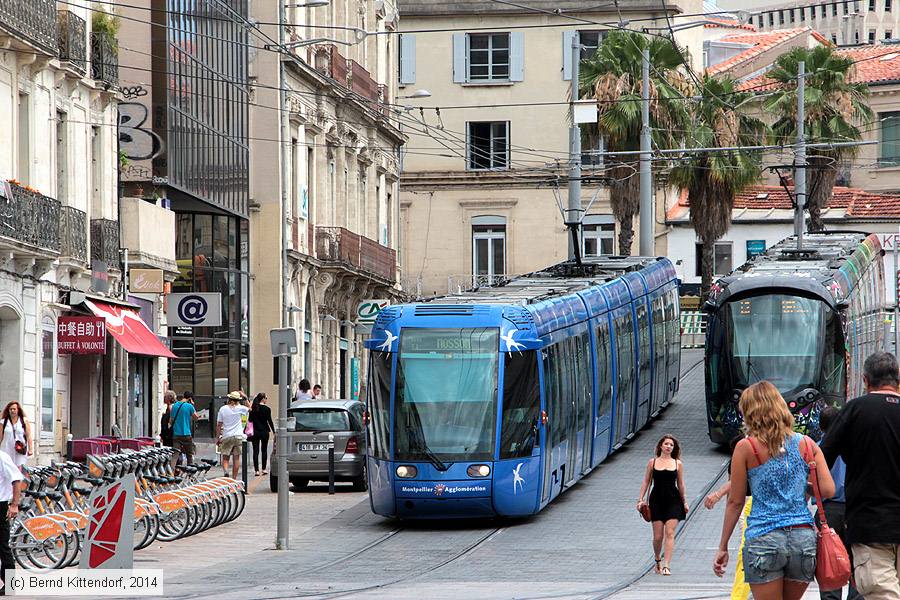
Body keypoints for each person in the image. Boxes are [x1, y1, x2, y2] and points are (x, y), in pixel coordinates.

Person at [714, 381, 835, 600]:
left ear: (751, 412)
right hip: (802, 540)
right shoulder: (807, 444)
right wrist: (801, 486)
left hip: (764, 537)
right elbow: (827, 490)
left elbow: (736, 501)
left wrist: (723, 546)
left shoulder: (746, 447)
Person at [822, 351, 900, 600]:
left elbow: (821, 459)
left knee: (881, 593)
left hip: (870, 525)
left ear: (865, 380)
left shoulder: (855, 411)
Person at [816, 406, 861, 600]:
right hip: (854, 509)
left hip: (827, 513)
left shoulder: (816, 448)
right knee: (857, 560)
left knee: (829, 562)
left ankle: (831, 596)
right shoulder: (856, 446)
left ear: (820, 426)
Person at [637, 435, 689, 576]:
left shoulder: (678, 464)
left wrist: (684, 501)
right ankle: (657, 559)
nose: (669, 446)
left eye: (671, 445)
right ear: (661, 446)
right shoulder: (652, 462)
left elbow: (681, 484)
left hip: (673, 500)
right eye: (666, 444)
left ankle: (667, 565)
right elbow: (646, 481)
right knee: (658, 536)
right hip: (656, 501)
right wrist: (640, 500)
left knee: (670, 533)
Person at [0, 448, 22, 595]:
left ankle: (9, 585)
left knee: (2, 545)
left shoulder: (2, 457)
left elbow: (16, 479)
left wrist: (14, 504)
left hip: (0, 504)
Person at [217, 391, 250, 479]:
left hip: (227, 435)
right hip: (238, 436)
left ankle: (226, 472)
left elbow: (219, 424)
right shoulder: (241, 408)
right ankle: (234, 478)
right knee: (236, 458)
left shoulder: (223, 409)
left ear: (229, 399)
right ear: (238, 400)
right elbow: (250, 408)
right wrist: (245, 397)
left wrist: (218, 438)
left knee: (225, 457)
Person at [169, 391, 198, 467]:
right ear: (190, 398)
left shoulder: (174, 406)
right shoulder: (189, 406)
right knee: (189, 455)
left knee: (175, 455)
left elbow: (170, 421)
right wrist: (192, 405)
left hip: (176, 434)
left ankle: (171, 473)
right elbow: (196, 417)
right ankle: (190, 475)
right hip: (186, 434)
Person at [249, 393, 275, 476]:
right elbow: (269, 421)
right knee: (264, 450)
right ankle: (263, 469)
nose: (266, 399)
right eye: (266, 398)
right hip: (264, 432)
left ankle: (256, 470)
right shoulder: (267, 409)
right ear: (263, 399)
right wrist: (274, 431)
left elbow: (250, 419)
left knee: (255, 451)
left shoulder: (254, 408)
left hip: (255, 432)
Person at [0, 402, 31, 469]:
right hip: (7, 450)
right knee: (8, 470)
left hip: (20, 450)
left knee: (19, 470)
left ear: (18, 410)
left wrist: (30, 449)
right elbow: (0, 437)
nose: (12, 411)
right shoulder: (3, 422)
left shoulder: (24, 420)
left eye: (14, 409)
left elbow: (29, 436)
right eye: (10, 409)